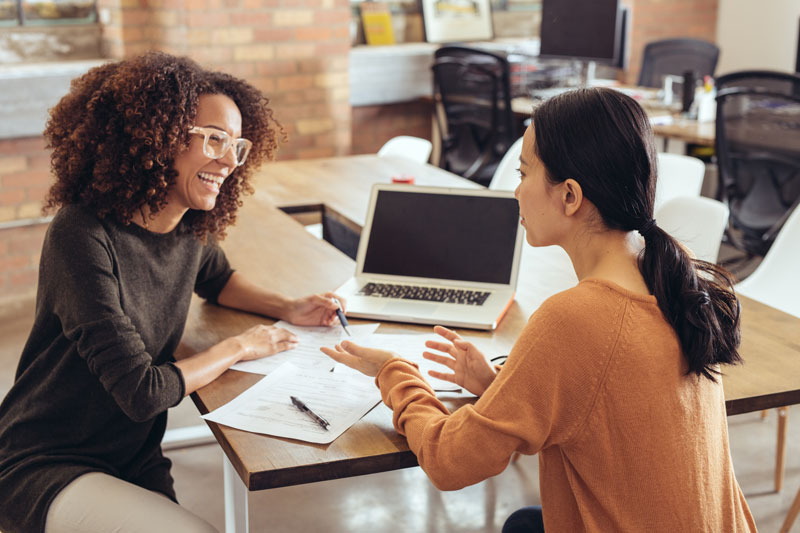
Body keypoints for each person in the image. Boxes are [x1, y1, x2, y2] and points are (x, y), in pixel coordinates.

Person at [322, 88, 757, 532]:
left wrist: (395, 373)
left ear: (569, 196)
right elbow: (599, 410)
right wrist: (498, 386)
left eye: (524, 172)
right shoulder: (670, 276)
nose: (515, 191)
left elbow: (450, 462)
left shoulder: (576, 317)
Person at [0, 52, 346, 533]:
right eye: (214, 139)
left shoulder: (185, 225)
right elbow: (143, 392)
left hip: (132, 455)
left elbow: (219, 279)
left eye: (237, 145)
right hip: (49, 462)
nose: (228, 160)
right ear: (157, 138)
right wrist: (242, 346)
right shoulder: (81, 235)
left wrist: (290, 308)